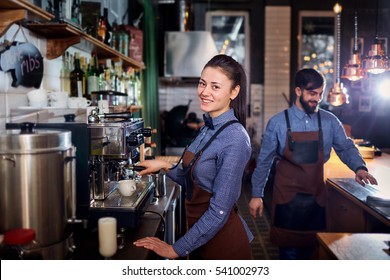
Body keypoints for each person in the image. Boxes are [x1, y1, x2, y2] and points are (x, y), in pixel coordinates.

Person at [249, 68, 378, 260]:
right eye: (312, 93)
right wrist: (256, 194)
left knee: (312, 253)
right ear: (298, 91)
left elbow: (345, 147)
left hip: (315, 198)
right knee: (289, 255)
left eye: (320, 93)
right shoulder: (277, 123)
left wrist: (359, 167)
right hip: (287, 199)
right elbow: (264, 161)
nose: (317, 98)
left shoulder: (330, 121)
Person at [134, 54, 253, 259]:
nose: (204, 92)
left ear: (234, 91)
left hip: (223, 244)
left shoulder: (235, 138)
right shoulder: (207, 127)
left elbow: (219, 211)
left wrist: (174, 249)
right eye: (202, 83)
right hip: (200, 236)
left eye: (215, 87)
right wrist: (163, 165)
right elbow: (191, 179)